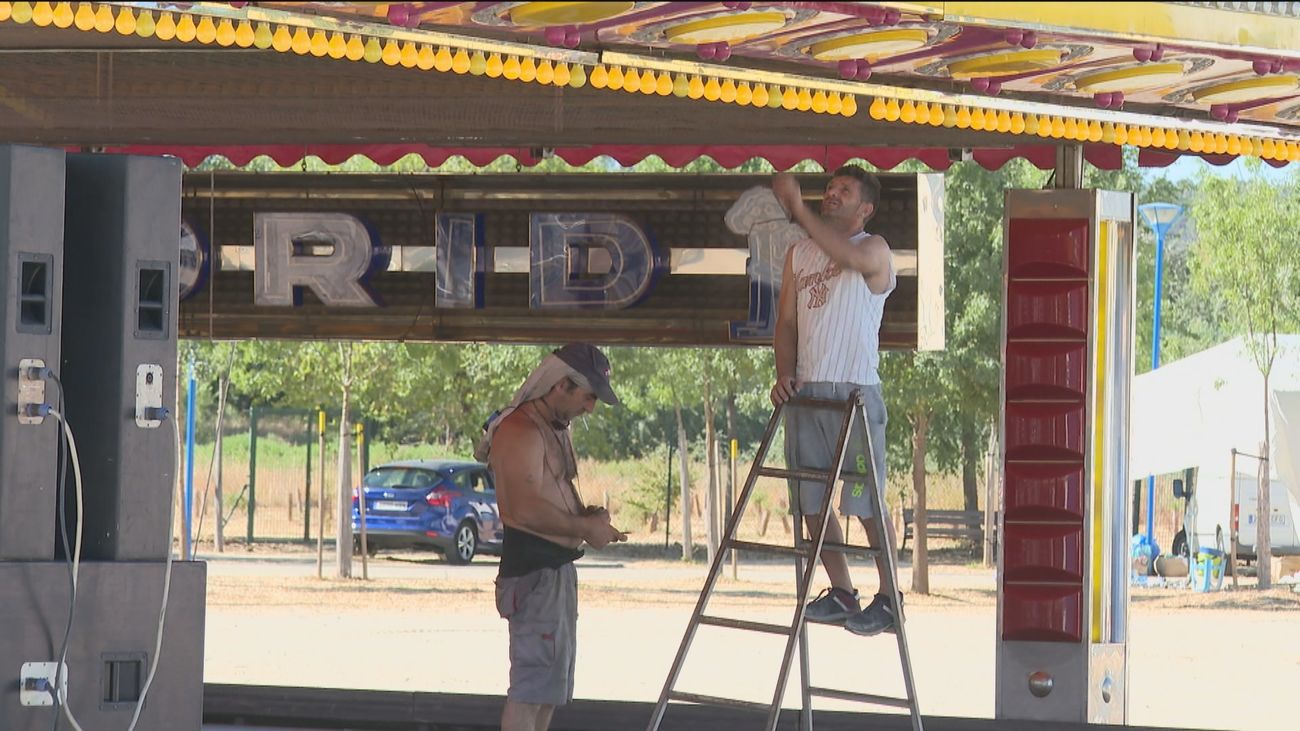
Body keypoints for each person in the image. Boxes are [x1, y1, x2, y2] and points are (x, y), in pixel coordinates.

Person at [769, 165, 901, 637]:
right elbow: (785, 324)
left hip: (854, 392)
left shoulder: (874, 247)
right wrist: (785, 375)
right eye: (829, 188)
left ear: (865, 208)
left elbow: (847, 256)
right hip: (809, 392)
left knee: (864, 502)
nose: (832, 194)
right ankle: (842, 589)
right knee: (811, 502)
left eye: (844, 191)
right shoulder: (798, 254)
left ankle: (890, 597)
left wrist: (798, 208)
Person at [476, 343, 628, 731]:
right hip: (534, 574)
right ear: (561, 385)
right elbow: (523, 509)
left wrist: (588, 517)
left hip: (553, 574)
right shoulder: (519, 429)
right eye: (588, 396)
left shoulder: (551, 429)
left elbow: (546, 495)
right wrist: (584, 528)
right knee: (531, 693)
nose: (590, 408)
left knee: (546, 694)